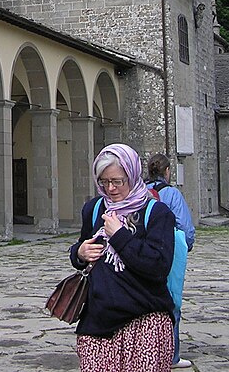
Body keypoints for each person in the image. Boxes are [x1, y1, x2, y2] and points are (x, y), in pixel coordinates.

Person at [69, 143, 176, 372]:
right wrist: (79, 253)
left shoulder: (157, 214)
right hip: (98, 321)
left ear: (133, 176)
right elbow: (82, 247)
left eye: (118, 181)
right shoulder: (94, 209)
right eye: (104, 182)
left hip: (145, 320)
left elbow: (158, 266)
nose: (111, 189)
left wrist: (119, 235)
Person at [146, 153, 195, 369]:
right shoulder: (172, 194)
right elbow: (186, 228)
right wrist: (186, 246)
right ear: (167, 172)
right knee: (172, 300)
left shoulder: (141, 193)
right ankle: (171, 355)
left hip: (143, 252)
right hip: (169, 252)